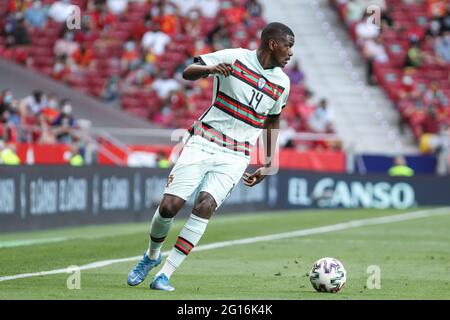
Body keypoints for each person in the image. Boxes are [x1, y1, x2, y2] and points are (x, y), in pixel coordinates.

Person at [127, 22, 294, 291]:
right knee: (169, 205)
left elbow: (273, 119)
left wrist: (269, 162)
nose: (290, 53)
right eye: (288, 46)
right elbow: (188, 72)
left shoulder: (282, 83)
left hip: (236, 155)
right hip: (204, 141)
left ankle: (165, 275)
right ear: (273, 44)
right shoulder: (234, 57)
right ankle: (151, 257)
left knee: (205, 206)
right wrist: (210, 69)